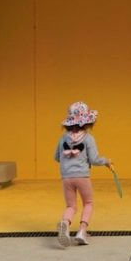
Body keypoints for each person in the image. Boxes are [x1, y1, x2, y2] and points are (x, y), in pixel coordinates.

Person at [54, 101, 110, 247]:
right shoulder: (89, 139)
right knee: (88, 203)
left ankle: (65, 223)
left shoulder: (62, 139)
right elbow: (94, 159)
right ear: (87, 122)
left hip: (66, 177)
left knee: (71, 206)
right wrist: (106, 161)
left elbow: (56, 157)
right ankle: (81, 231)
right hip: (82, 176)